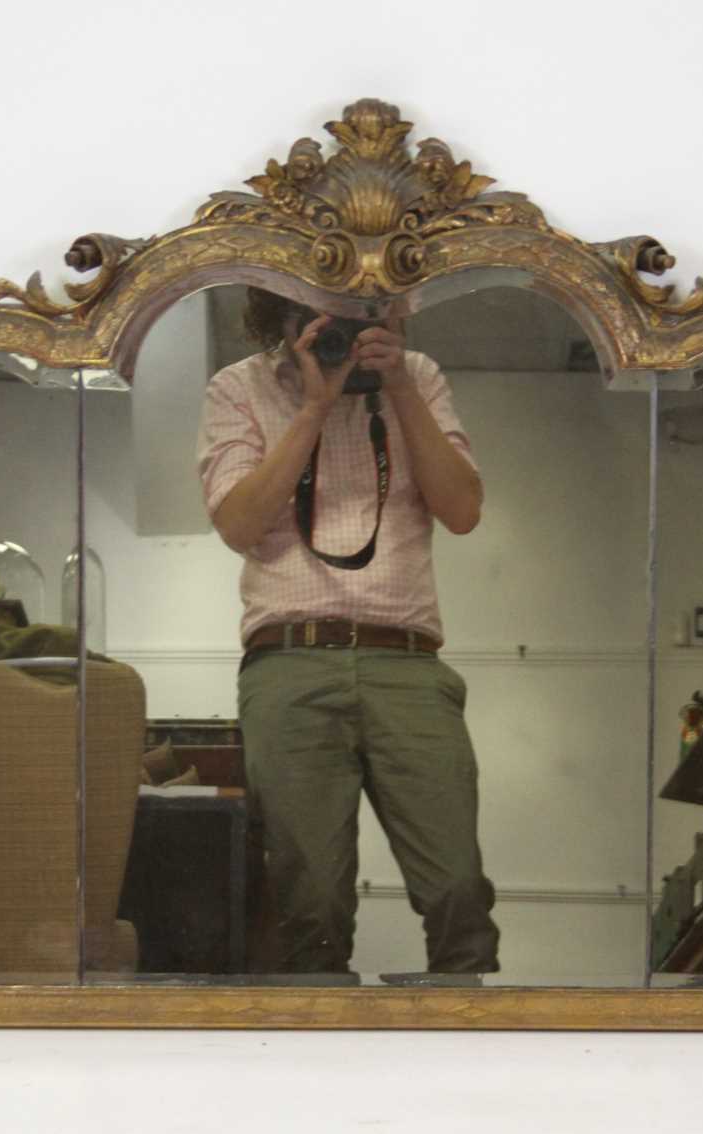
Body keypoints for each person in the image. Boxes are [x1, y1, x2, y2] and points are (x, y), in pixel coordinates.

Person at [196, 288, 499, 975]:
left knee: (456, 882)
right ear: (285, 314)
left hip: (409, 662)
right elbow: (240, 524)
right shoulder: (238, 387)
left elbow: (462, 510)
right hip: (290, 661)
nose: (356, 328)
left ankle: (471, 1031)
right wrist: (313, 408)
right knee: (312, 897)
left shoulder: (416, 377)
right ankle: (318, 1050)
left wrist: (396, 384)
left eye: (375, 311)